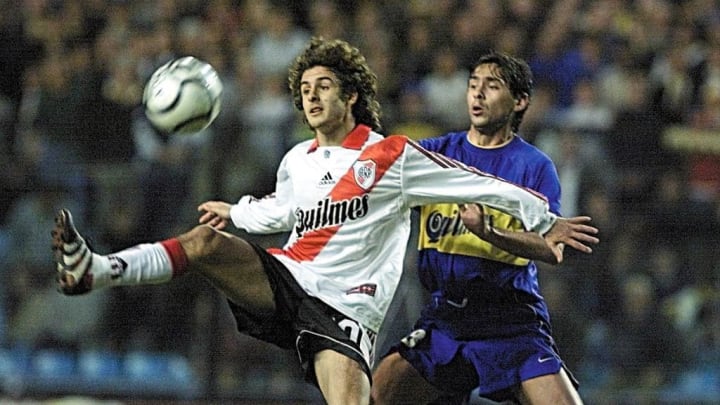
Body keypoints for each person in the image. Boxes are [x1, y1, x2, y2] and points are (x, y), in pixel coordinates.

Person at [53, 38, 591, 405]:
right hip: (291, 279)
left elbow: (484, 184)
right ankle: (95, 268)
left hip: (345, 310)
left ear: (351, 94)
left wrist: (544, 218)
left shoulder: (393, 157)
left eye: (323, 86)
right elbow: (281, 210)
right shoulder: (297, 160)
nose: (310, 96)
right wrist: (235, 213)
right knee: (204, 243)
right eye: (304, 89)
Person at [371, 52, 595, 404]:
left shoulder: (535, 166)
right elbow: (377, 168)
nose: (477, 94)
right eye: (473, 85)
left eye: (491, 86)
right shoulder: (438, 153)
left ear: (519, 101)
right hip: (445, 318)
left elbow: (551, 249)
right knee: (377, 393)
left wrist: (490, 233)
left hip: (510, 322)